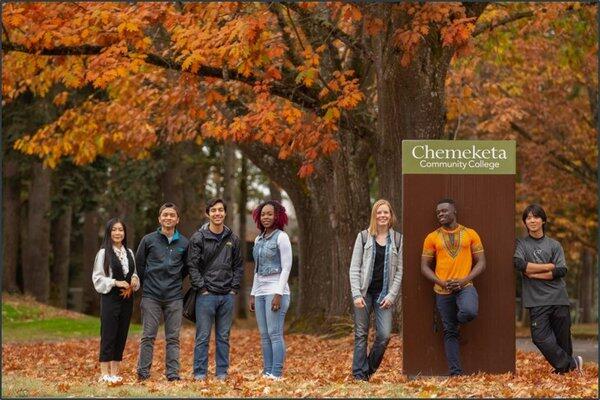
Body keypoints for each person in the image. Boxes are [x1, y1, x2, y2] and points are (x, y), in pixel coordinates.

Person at [514, 204, 583, 374]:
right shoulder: (521, 244)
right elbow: (519, 264)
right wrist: (548, 267)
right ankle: (572, 364)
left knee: (563, 339)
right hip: (536, 300)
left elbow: (560, 271)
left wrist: (533, 273)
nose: (532, 220)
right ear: (525, 222)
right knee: (540, 338)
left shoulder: (554, 245)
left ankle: (564, 372)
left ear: (543, 220)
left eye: (536, 217)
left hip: (559, 297)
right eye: (528, 217)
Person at [420, 198, 486, 376]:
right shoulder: (432, 237)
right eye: (438, 212)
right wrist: (440, 282)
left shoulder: (470, 233)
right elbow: (424, 266)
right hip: (442, 290)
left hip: (466, 286)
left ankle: (456, 321)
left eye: (444, 211)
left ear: (454, 211)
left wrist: (465, 280)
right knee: (449, 332)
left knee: (469, 312)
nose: (440, 214)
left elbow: (481, 263)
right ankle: (456, 374)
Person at [186, 198, 243, 381]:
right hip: (206, 296)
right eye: (213, 210)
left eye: (220, 210)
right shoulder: (198, 237)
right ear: (207, 214)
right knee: (202, 337)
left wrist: (234, 288)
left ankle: (222, 373)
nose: (217, 213)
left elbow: (238, 266)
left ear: (225, 213)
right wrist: (202, 288)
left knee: (223, 337)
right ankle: (200, 373)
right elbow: (192, 266)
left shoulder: (233, 238)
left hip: (227, 295)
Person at [349, 199, 403, 381]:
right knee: (361, 334)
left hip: (384, 295)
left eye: (385, 212)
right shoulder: (364, 237)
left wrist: (392, 295)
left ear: (391, 215)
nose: (382, 215)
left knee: (384, 335)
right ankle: (359, 374)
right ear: (374, 215)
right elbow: (354, 267)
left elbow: (400, 271)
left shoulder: (397, 239)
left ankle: (368, 369)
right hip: (364, 294)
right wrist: (356, 294)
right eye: (379, 212)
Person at [136, 202, 189, 382]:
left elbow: (186, 268)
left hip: (174, 297)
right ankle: (143, 373)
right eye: (165, 215)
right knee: (148, 336)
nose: (168, 218)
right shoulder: (148, 240)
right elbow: (140, 265)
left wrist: (174, 281)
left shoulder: (184, 242)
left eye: (172, 215)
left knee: (173, 338)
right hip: (151, 296)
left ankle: (173, 374)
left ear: (177, 219)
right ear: (159, 218)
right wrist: (147, 285)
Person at [92, 217, 140, 383]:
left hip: (127, 299)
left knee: (121, 334)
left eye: (120, 230)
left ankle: (115, 372)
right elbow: (97, 278)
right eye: (114, 230)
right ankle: (104, 373)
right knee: (109, 334)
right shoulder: (103, 253)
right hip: (110, 298)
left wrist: (134, 279)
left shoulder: (130, 253)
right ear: (109, 232)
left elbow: (134, 273)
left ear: (124, 233)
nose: (118, 233)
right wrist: (114, 282)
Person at [248, 200, 292, 381]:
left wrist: (278, 294)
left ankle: (277, 372)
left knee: (275, 333)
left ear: (277, 216)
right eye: (263, 214)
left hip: (276, 291)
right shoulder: (258, 239)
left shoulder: (282, 237)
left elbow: (287, 267)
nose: (266, 217)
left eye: (270, 214)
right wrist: (253, 293)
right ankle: (267, 371)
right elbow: (257, 269)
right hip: (260, 292)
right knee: (264, 335)